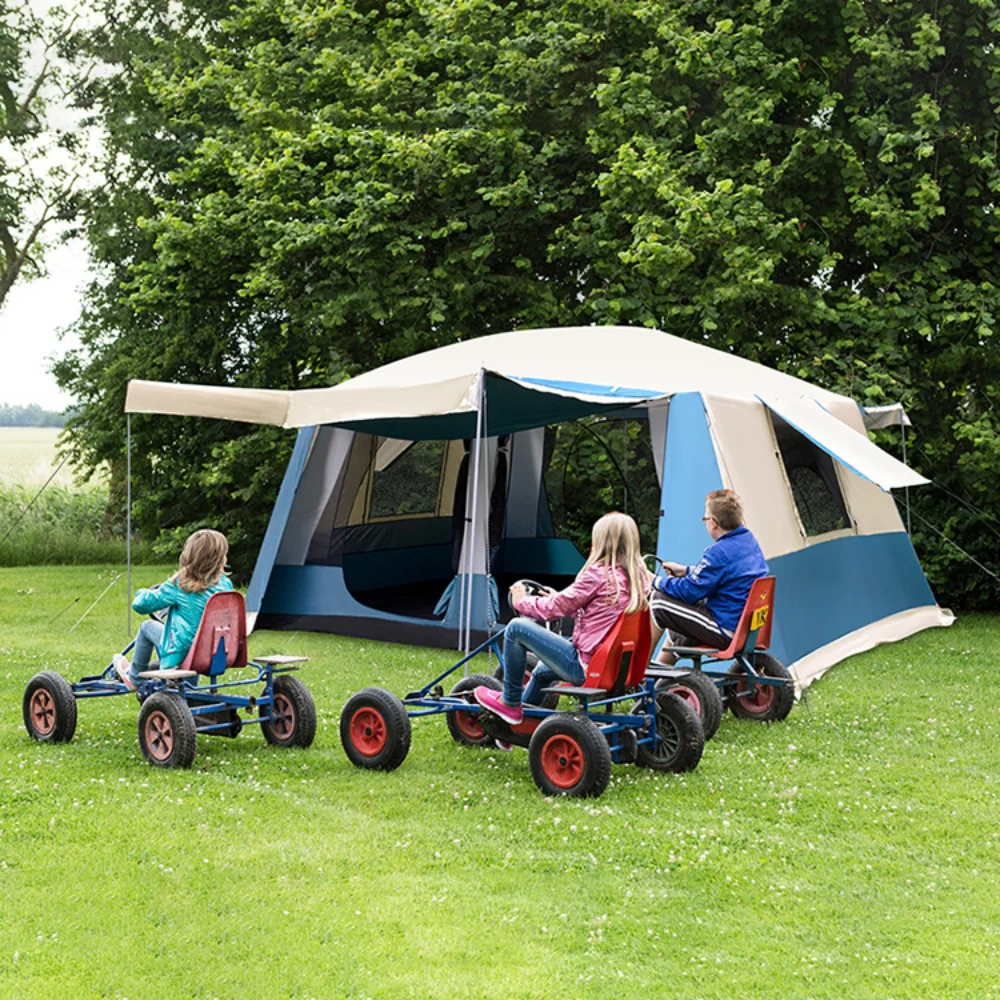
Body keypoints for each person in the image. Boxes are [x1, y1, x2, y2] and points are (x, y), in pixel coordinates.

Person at [474, 512, 650, 725]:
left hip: (586, 666)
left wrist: (521, 601)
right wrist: (558, 597)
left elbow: (553, 609)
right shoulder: (637, 578)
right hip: (613, 666)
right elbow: (597, 613)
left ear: (601, 542)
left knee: (515, 628)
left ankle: (509, 702)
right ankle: (521, 724)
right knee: (541, 672)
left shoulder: (598, 575)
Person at [650, 489, 767, 664]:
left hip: (726, 630)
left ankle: (639, 669)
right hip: (747, 628)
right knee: (679, 620)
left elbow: (690, 591)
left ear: (713, 523)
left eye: (705, 518)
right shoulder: (748, 540)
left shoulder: (718, 552)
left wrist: (654, 581)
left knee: (658, 601)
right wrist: (685, 570)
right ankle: (655, 676)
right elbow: (725, 575)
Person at [113, 528, 234, 689]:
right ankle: (188, 689)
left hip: (185, 651)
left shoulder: (181, 584)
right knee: (192, 636)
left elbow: (140, 605)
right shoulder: (225, 585)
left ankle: (134, 678)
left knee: (147, 627)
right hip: (215, 650)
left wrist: (143, 592)